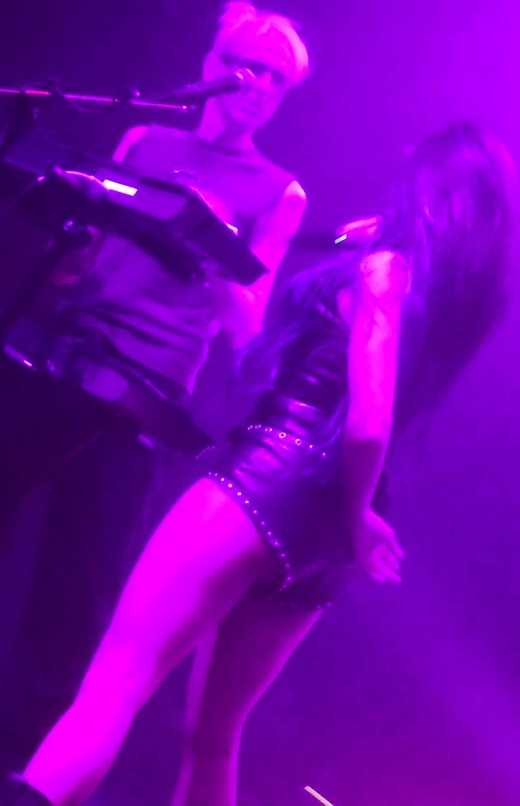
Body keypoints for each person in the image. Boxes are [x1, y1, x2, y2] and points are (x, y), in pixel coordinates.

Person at [3, 122, 514, 806]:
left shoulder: (385, 272)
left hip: (268, 477)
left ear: (428, 193)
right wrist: (354, 519)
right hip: (323, 536)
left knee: (113, 687)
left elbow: (367, 424)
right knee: (214, 737)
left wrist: (357, 512)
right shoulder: (446, 298)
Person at [0, 0, 308, 778]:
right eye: (244, 65)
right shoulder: (146, 139)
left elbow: (250, 330)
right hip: (62, 359)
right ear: (211, 67)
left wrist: (216, 247)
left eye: (274, 77)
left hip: (137, 403)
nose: (255, 83)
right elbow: (86, 250)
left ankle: (27, 771)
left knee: (73, 597)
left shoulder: (280, 191)